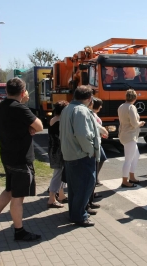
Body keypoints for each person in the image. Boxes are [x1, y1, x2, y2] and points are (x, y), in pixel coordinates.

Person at [0, 78, 43, 241]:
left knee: (9, 190)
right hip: (21, 158)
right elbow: (39, 126)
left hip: (7, 156)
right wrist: (28, 122)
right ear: (23, 92)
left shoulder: (1, 106)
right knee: (18, 197)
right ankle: (19, 231)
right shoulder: (20, 108)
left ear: (7, 90)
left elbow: (17, 125)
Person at [60, 86, 103, 227]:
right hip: (81, 155)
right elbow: (82, 135)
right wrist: (90, 151)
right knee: (85, 185)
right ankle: (79, 216)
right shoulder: (81, 111)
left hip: (69, 154)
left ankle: (74, 213)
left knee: (74, 188)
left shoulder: (68, 109)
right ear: (89, 98)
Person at [118, 89, 146, 187]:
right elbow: (134, 124)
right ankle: (125, 181)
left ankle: (132, 177)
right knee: (128, 159)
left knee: (136, 155)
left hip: (124, 134)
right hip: (130, 136)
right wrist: (141, 123)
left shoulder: (121, 106)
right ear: (135, 98)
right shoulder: (131, 107)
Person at [47, 101, 69, 208]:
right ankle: (52, 198)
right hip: (59, 150)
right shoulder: (61, 121)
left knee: (60, 173)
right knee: (58, 174)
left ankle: (61, 195)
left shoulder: (53, 119)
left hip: (53, 149)